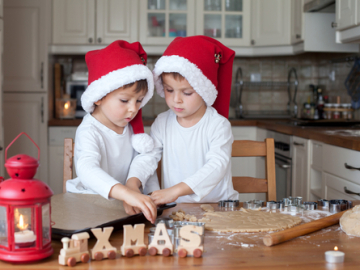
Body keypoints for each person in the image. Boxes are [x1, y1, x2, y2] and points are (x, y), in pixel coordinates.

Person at [128, 36, 239, 205]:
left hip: (220, 208)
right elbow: (148, 157)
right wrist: (133, 181)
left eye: (187, 93)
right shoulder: (163, 122)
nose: (176, 100)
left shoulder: (218, 125)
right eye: (169, 90)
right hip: (176, 210)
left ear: (204, 90)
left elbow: (217, 166)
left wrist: (175, 191)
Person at [66, 40, 158, 223]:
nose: (133, 109)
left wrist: (135, 186)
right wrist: (125, 193)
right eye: (124, 101)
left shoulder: (130, 126)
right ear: (98, 97)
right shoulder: (89, 130)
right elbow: (87, 169)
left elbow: (146, 158)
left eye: (139, 100)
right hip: (90, 210)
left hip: (122, 212)